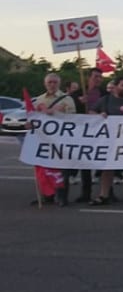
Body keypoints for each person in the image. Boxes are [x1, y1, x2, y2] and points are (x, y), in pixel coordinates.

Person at [88, 77, 123, 206]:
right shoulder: (105, 100)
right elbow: (91, 111)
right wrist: (98, 116)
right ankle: (103, 195)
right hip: (109, 141)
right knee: (107, 169)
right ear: (115, 86)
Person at [33, 73, 77, 206]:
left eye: (54, 82)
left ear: (59, 84)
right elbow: (33, 117)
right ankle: (48, 195)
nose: (52, 85)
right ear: (45, 84)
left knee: (62, 169)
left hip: (61, 139)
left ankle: (62, 197)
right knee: (45, 168)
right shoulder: (39, 99)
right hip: (44, 140)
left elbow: (73, 119)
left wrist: (57, 113)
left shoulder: (67, 99)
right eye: (49, 82)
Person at [69, 68, 107, 202]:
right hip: (83, 133)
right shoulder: (78, 94)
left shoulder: (105, 94)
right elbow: (70, 111)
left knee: (104, 164)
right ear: (88, 78)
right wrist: (79, 102)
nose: (98, 79)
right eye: (96, 76)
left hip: (101, 132)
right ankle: (86, 193)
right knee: (84, 164)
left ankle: (107, 193)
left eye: (100, 77)